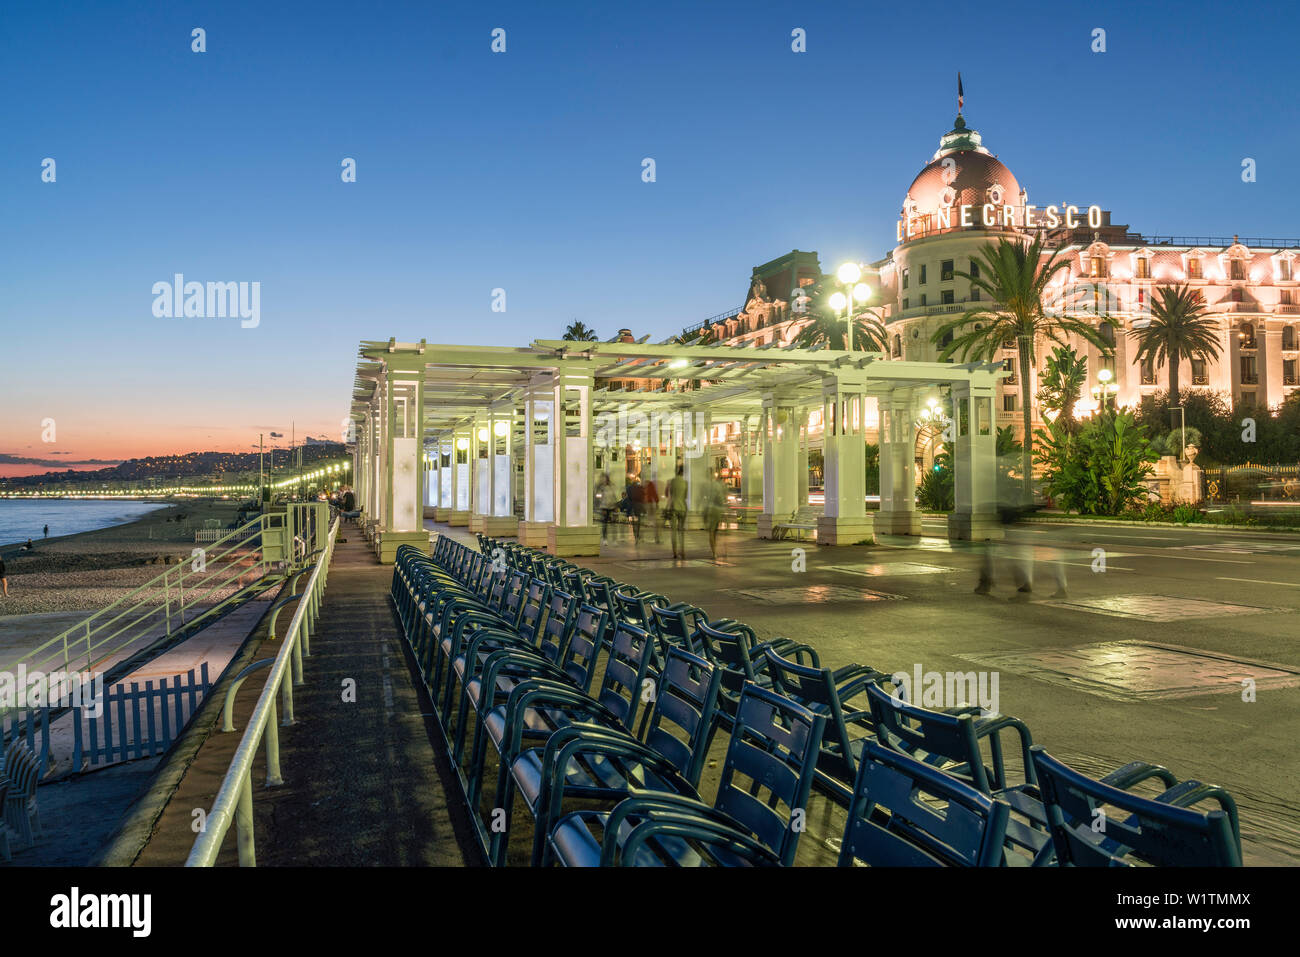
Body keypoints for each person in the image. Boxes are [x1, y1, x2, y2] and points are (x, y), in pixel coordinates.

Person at [703, 470, 728, 559]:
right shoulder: (717, 485)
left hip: (710, 510)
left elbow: (703, 499)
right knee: (715, 532)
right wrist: (723, 511)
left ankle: (714, 553)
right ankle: (714, 551)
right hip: (717, 510)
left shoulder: (705, 486)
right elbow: (721, 499)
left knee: (711, 532)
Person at [666, 465, 688, 559]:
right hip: (683, 507)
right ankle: (682, 551)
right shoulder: (685, 482)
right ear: (682, 472)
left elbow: (670, 495)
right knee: (681, 531)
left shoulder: (672, 481)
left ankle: (675, 552)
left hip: (674, 507)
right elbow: (685, 496)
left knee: (673, 531)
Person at [595, 473, 616, 542]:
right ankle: (604, 538)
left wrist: (615, 505)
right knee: (605, 523)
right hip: (604, 507)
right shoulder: (602, 488)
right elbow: (598, 496)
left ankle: (613, 539)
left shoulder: (612, 486)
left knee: (613, 523)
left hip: (611, 507)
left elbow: (614, 496)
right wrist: (601, 504)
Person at [643, 476, 661, 543]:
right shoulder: (650, 485)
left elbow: (653, 494)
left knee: (647, 520)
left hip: (647, 504)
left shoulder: (648, 485)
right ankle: (656, 538)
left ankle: (641, 537)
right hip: (649, 504)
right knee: (653, 521)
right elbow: (655, 494)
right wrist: (656, 502)